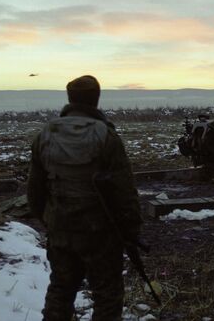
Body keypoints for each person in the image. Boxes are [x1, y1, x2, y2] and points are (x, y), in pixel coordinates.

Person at [27, 75, 142, 321]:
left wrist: (50, 222)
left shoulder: (45, 134)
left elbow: (34, 193)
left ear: (70, 98)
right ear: (96, 99)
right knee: (107, 295)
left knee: (60, 290)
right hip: (100, 233)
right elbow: (125, 192)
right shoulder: (106, 136)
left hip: (61, 230)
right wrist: (131, 232)